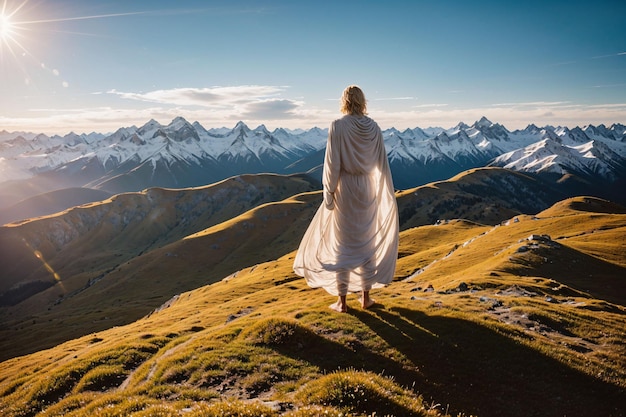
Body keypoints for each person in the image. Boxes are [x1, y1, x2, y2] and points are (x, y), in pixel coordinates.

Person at [293, 85, 399, 313]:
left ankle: (342, 302)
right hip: (368, 188)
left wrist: (329, 192)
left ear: (344, 101)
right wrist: (384, 193)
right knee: (367, 241)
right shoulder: (374, 128)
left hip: (346, 188)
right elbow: (382, 164)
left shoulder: (338, 126)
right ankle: (366, 297)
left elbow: (332, 165)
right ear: (363, 101)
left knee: (342, 243)